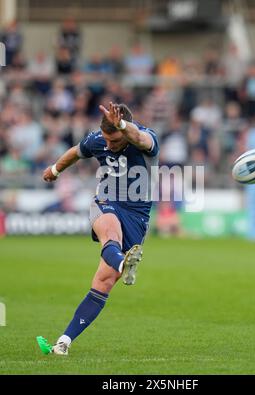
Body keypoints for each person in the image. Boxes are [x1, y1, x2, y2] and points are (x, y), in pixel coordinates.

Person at [36, 102, 159, 355]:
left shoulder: (146, 139)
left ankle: (64, 342)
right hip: (106, 200)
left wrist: (123, 127)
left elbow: (136, 136)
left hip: (137, 215)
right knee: (109, 233)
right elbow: (75, 152)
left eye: (114, 140)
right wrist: (55, 169)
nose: (109, 146)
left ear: (124, 129)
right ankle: (124, 263)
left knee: (103, 282)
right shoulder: (98, 140)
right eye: (106, 140)